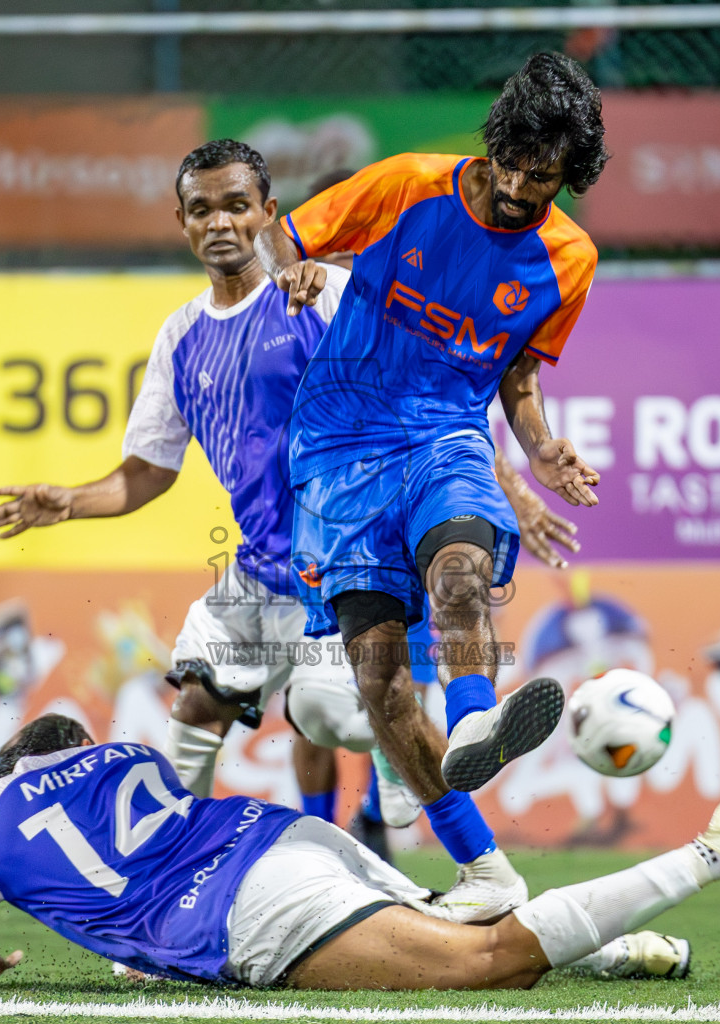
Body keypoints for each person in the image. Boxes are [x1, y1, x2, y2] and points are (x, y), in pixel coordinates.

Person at [0, 142, 552, 919]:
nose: (222, 223)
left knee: (325, 714)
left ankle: (421, 778)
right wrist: (70, 502)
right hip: (258, 569)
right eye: (202, 209)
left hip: (343, 557)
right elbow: (146, 472)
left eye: (237, 205)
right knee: (195, 710)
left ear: (268, 213)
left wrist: (509, 485)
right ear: (181, 224)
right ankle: (165, 895)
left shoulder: (326, 297)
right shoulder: (179, 338)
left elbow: (435, 396)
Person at [252, 53, 607, 822]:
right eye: (510, 164)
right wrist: (292, 272)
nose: (517, 188)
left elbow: (518, 376)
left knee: (461, 577)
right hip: (341, 443)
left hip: (446, 438)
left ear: (571, 172)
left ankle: (476, 718)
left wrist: (541, 447)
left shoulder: (571, 260)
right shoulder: (409, 183)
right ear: (495, 143)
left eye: (541, 177)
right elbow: (285, 235)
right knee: (379, 685)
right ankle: (457, 858)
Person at [0, 714, 720, 990]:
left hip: (249, 909)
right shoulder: (125, 751)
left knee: (483, 966)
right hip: (283, 833)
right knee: (451, 918)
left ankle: (716, 847)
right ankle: (619, 952)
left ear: (6, 770)